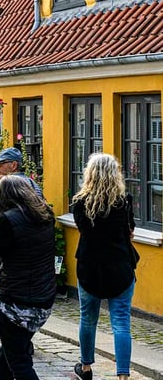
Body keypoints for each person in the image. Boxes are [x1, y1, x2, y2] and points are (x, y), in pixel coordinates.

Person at [71, 153, 138, 380]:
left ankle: (86, 367)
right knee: (121, 322)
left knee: (88, 318)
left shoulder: (80, 202)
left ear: (89, 174)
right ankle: (123, 375)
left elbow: (83, 230)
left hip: (90, 268)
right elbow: (130, 232)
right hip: (120, 267)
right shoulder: (124, 201)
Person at [0, 175, 56, 380]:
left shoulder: (7, 220)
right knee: (10, 350)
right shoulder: (46, 216)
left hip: (16, 303)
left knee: (20, 363)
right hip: (43, 299)